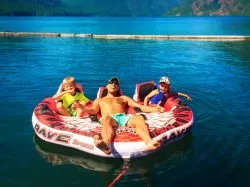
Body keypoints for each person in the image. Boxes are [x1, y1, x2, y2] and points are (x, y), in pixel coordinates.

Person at [83, 77, 164, 155]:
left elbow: (139, 107)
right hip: (110, 118)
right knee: (106, 119)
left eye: (116, 84)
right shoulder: (100, 100)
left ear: (118, 88)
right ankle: (106, 145)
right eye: (111, 83)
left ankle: (149, 143)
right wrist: (82, 108)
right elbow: (93, 111)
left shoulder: (122, 98)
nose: (113, 84)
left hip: (124, 117)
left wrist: (156, 109)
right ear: (106, 86)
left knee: (139, 118)